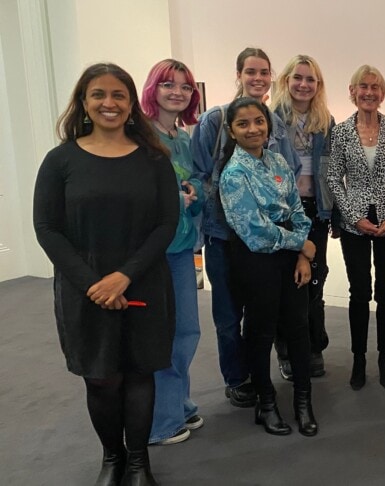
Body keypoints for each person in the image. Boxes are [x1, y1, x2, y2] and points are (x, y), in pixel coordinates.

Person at [34, 63, 178, 485]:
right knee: (100, 378)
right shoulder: (60, 160)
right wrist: (93, 284)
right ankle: (112, 458)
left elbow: (166, 224)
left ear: (132, 104)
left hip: (143, 281)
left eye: (119, 95)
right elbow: (47, 229)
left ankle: (138, 463)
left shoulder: (154, 159)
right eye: (98, 94)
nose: (109, 103)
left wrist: (124, 277)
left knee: (138, 373)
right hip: (84, 288)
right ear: (83, 102)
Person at [191, 47, 301, 408]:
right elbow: (201, 173)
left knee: (262, 313)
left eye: (264, 72)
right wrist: (238, 203)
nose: (257, 78)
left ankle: (261, 374)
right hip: (226, 236)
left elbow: (289, 171)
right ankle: (237, 379)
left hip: (267, 240)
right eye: (250, 71)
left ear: (272, 77)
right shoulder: (214, 119)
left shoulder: (277, 123)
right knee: (227, 314)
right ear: (238, 74)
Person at [218, 97, 319, 436]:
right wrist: (301, 244)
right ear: (232, 131)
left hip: (291, 258)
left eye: (258, 121)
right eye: (243, 124)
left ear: (268, 124)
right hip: (255, 261)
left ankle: (303, 403)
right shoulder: (233, 174)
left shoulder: (277, 160)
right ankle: (266, 404)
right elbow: (256, 232)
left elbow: (298, 211)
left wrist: (304, 255)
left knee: (298, 328)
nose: (253, 129)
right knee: (260, 332)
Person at [327, 65, 385, 390]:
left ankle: (384, 357)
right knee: (359, 293)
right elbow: (334, 177)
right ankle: (359, 359)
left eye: (375, 87)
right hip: (355, 226)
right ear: (352, 92)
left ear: (383, 94)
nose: (369, 92)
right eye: (363, 86)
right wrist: (352, 217)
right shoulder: (342, 132)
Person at [139, 59, 205, 447]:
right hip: (150, 252)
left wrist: (193, 196)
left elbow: (193, 183)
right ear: (153, 89)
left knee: (186, 331)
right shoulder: (140, 137)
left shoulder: (183, 138)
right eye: (168, 85)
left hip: (181, 248)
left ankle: (177, 403)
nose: (177, 92)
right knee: (160, 336)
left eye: (184, 86)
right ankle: (160, 421)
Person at [272, 54, 336, 380]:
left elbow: (334, 172)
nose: (303, 84)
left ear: (318, 85)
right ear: (286, 81)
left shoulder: (325, 122)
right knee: (287, 283)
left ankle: (314, 348)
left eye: (310, 79)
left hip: (316, 211)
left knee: (316, 279)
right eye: (298, 77)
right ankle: (287, 352)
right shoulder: (272, 120)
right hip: (283, 212)